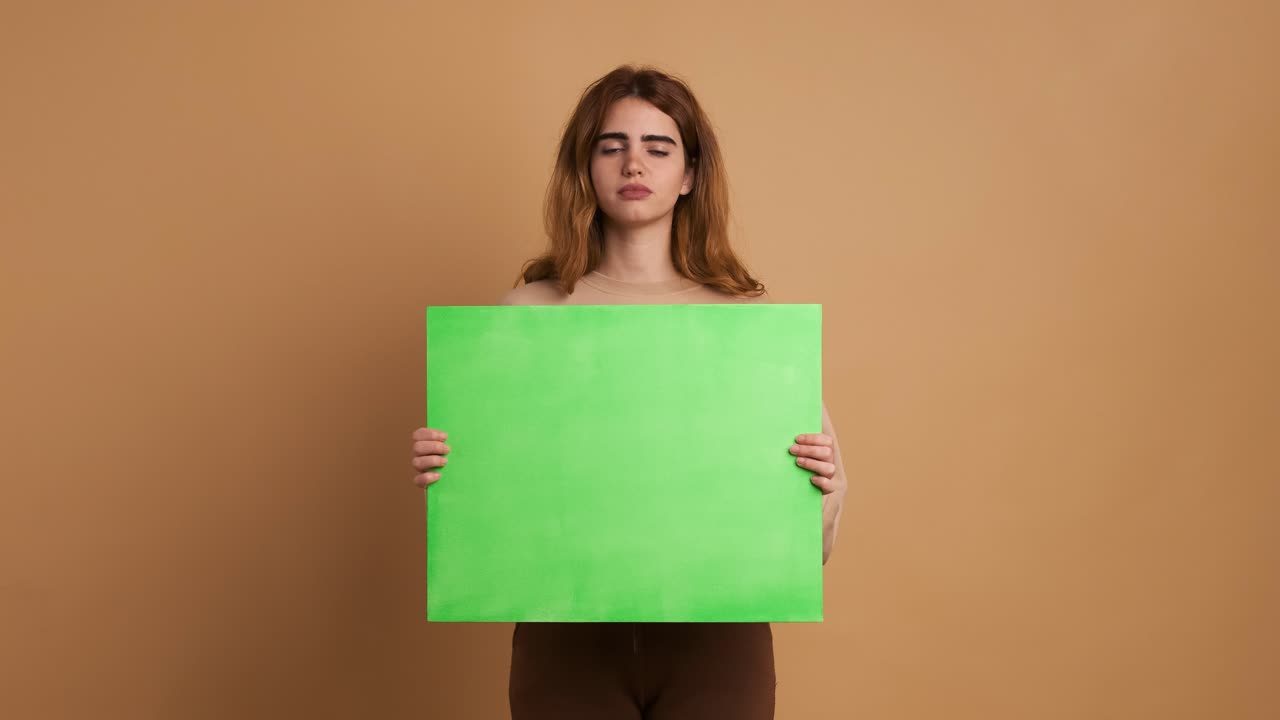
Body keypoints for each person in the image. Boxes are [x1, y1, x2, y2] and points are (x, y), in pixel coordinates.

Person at [411, 64, 849, 720]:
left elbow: (815, 526)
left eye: (658, 147)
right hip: (565, 640)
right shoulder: (530, 313)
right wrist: (447, 465)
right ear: (585, 168)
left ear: (691, 175)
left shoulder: (744, 323)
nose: (633, 163)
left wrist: (819, 485)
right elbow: (492, 500)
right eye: (611, 146)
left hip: (718, 640)